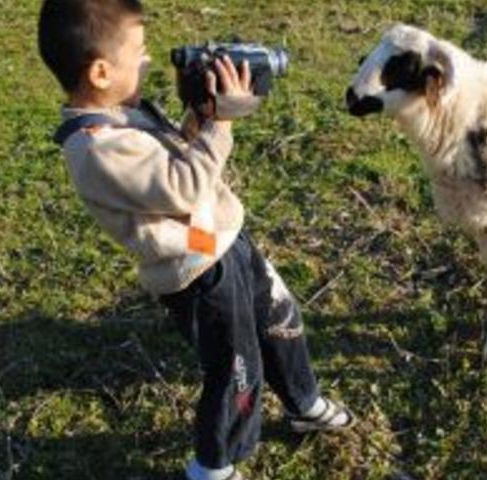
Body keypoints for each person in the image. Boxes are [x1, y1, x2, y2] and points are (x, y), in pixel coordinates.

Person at [37, 1, 355, 478]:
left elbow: (177, 155)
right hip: (198, 268)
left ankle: (303, 402)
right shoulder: (97, 148)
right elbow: (183, 185)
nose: (148, 59)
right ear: (101, 71)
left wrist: (201, 115)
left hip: (223, 239)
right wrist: (222, 123)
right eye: (138, 52)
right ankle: (213, 465)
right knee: (235, 369)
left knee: (280, 319)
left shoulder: (123, 114)